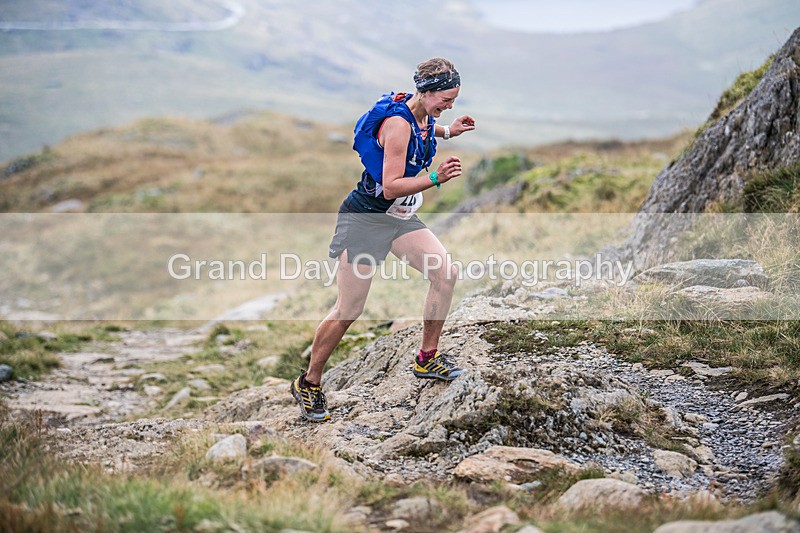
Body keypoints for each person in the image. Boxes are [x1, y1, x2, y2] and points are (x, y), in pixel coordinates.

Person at [290, 57, 476, 422]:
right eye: (446, 99)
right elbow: (391, 186)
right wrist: (436, 179)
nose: (449, 105)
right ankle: (309, 383)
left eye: (454, 100)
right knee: (349, 309)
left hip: (400, 218)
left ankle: (427, 358)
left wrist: (449, 130)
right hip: (366, 219)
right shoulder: (396, 123)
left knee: (445, 273)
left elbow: (423, 128)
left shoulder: (422, 113)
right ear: (427, 92)